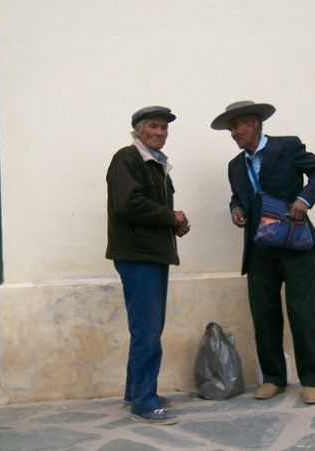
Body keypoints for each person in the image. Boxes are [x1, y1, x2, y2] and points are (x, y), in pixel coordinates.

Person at [211, 100, 315, 404]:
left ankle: (312, 380)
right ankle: (274, 378)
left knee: (303, 312)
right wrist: (236, 209)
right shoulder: (235, 166)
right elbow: (237, 197)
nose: (233, 133)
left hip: (294, 243)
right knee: (264, 315)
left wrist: (304, 200)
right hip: (258, 249)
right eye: (230, 129)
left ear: (254, 122)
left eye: (237, 126)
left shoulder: (287, 146)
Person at [106, 105, 190, 425]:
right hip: (138, 256)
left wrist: (175, 224)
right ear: (138, 130)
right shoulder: (128, 158)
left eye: (164, 128)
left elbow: (148, 206)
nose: (159, 133)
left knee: (145, 328)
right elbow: (129, 204)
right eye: (153, 127)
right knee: (148, 331)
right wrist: (171, 217)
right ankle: (144, 402)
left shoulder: (155, 163)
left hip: (151, 254)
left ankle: (135, 391)